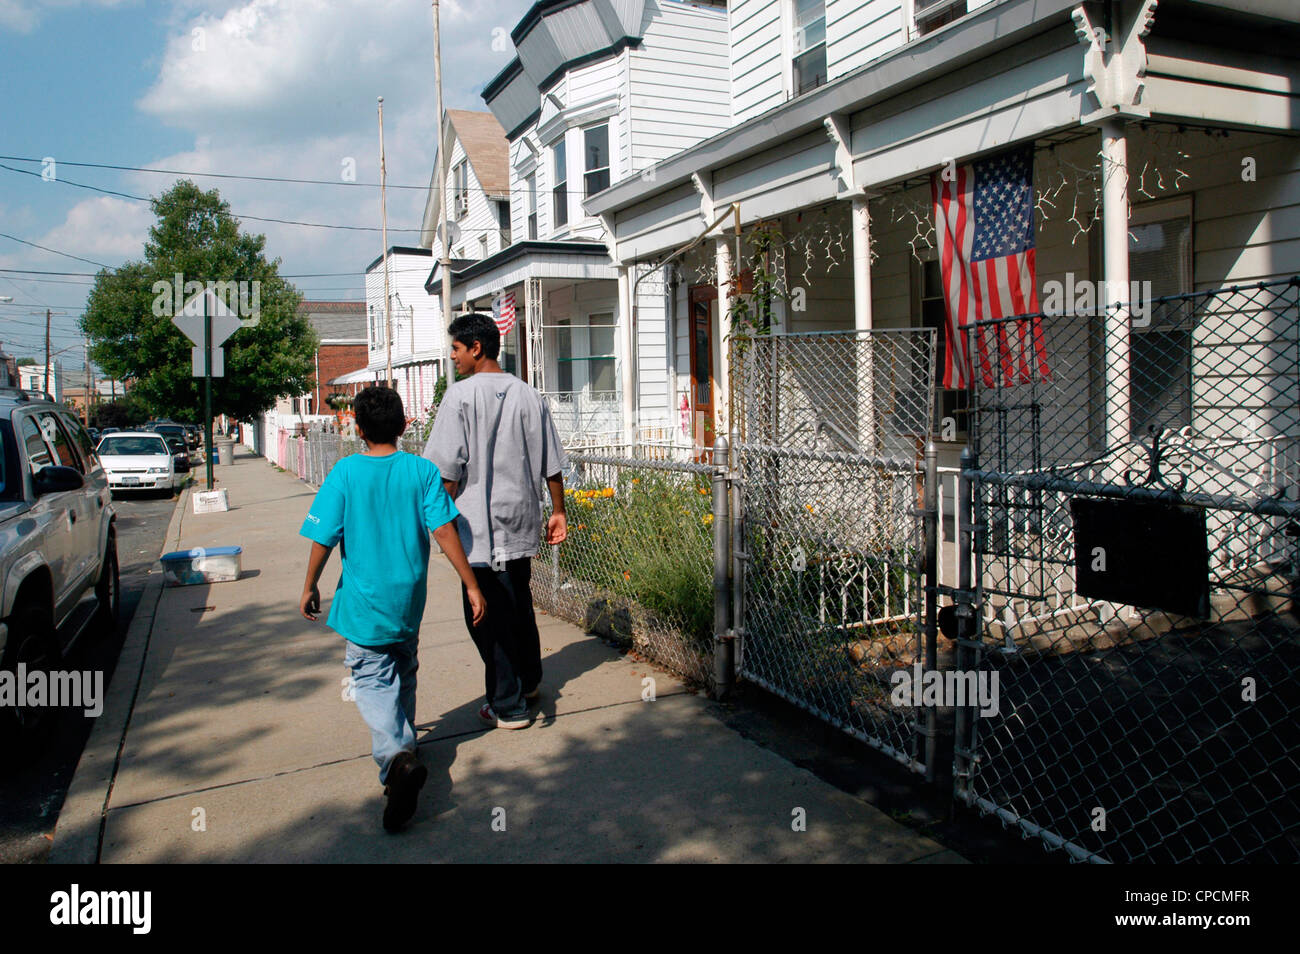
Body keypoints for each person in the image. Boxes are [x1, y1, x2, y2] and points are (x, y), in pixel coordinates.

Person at [299, 384, 485, 832]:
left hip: (365, 603)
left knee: (371, 680)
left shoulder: (345, 473)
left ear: (358, 429)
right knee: (404, 667)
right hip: (408, 600)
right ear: (403, 426)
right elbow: (443, 532)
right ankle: (407, 748)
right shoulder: (421, 472)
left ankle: (396, 758)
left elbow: (324, 536)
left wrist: (309, 585)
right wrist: (472, 585)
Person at [425, 313, 567, 730]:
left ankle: (508, 704)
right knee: (519, 604)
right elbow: (552, 464)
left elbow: (445, 475)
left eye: (455, 349)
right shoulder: (529, 395)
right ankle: (529, 682)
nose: (452, 357)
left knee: (486, 615)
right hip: (520, 522)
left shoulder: (459, 398)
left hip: (478, 532)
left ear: (476, 348)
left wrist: (433, 523)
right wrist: (558, 510)